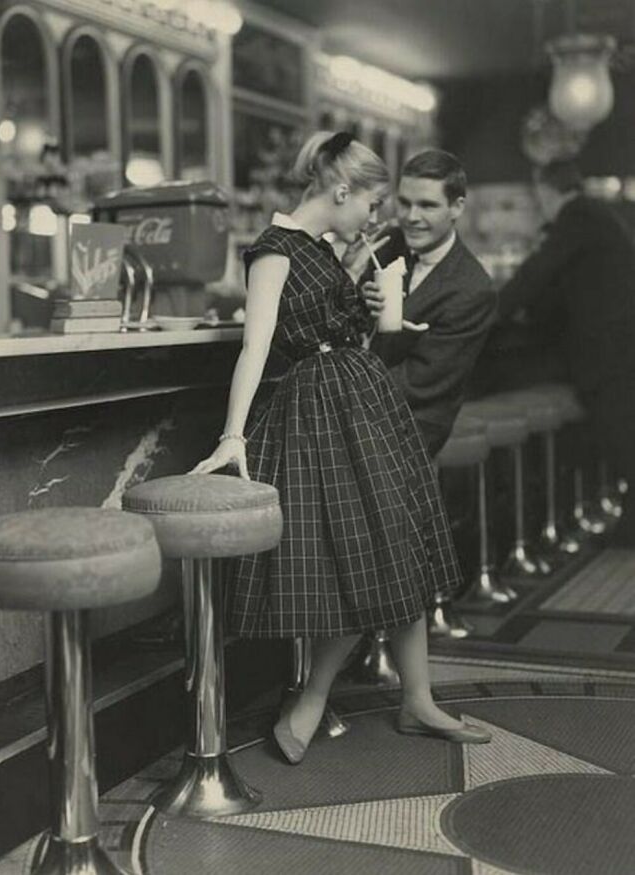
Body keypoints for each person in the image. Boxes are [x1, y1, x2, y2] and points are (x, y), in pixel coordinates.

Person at [191, 131, 490, 764]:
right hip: (323, 411)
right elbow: (257, 345)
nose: (377, 219)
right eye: (373, 204)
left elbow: (343, 324)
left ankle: (418, 699)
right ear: (341, 189)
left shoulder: (325, 249)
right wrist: (232, 435)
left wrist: (376, 307)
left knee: (398, 544)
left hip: (360, 399)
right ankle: (318, 698)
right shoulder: (273, 250)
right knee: (371, 553)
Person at [497, 159, 635, 546]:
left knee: (621, 435)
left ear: (545, 189)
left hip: (609, 348)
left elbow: (534, 275)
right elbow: (552, 288)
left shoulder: (577, 217)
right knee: (621, 433)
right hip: (614, 344)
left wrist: (486, 314)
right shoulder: (592, 217)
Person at [359, 149, 496, 457]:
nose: (411, 217)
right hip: (365, 408)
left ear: (456, 207)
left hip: (411, 427)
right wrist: (357, 296)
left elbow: (418, 383)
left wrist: (338, 392)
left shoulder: (472, 288)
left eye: (427, 205)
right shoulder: (389, 243)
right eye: (404, 203)